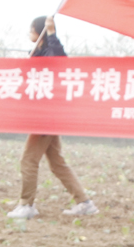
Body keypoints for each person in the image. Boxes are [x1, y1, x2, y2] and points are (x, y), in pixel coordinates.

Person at [8, 15, 96, 220]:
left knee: (28, 160)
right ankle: (84, 202)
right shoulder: (37, 53)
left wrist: (51, 32)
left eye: (31, 29)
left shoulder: (51, 51)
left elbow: (59, 58)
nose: (29, 33)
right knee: (57, 163)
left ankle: (26, 205)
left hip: (47, 117)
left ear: (38, 32)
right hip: (45, 115)